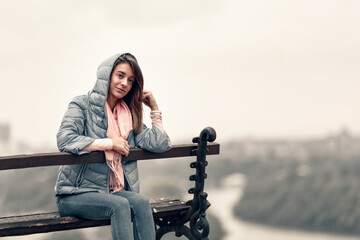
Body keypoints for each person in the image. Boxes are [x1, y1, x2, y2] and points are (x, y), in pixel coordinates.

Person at [54, 53, 171, 240]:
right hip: (74, 194)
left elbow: (160, 144)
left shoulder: (127, 116)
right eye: (120, 75)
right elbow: (65, 139)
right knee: (120, 205)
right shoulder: (81, 105)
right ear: (107, 76)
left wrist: (154, 109)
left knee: (141, 202)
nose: (124, 83)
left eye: (130, 80)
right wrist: (110, 143)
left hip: (109, 191)